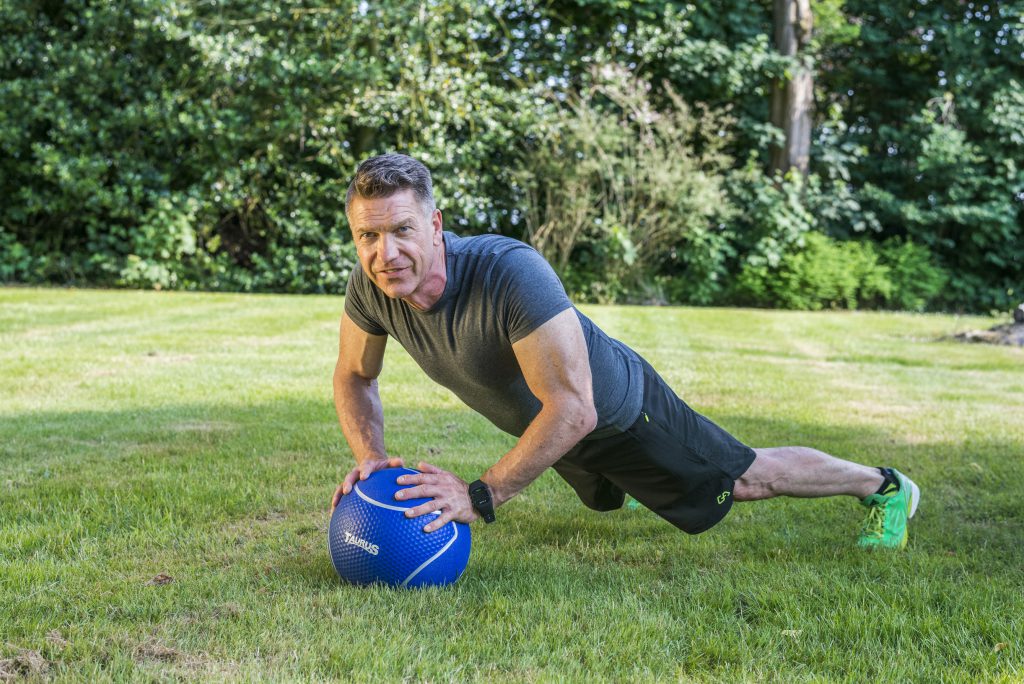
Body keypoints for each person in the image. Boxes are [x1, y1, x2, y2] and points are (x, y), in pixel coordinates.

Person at [330, 153, 921, 549]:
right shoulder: (372, 289)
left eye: (402, 229)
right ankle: (635, 486)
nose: (386, 253)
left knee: (744, 478)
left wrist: (480, 494)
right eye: (368, 236)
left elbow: (576, 409)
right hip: (552, 427)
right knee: (604, 501)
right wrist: (371, 458)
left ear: (435, 225)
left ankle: (883, 485)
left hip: (614, 411)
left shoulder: (510, 273)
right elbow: (354, 375)